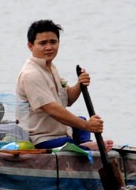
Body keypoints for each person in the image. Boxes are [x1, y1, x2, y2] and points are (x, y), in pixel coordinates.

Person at [16, 19, 113, 151]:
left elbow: (68, 99)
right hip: (41, 138)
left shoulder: (50, 67)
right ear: (30, 46)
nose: (49, 47)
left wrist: (80, 84)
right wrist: (87, 125)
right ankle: (84, 147)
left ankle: (85, 144)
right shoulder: (31, 74)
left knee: (81, 120)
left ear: (59, 43)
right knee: (71, 138)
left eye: (53, 42)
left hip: (59, 130)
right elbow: (52, 109)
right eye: (42, 43)